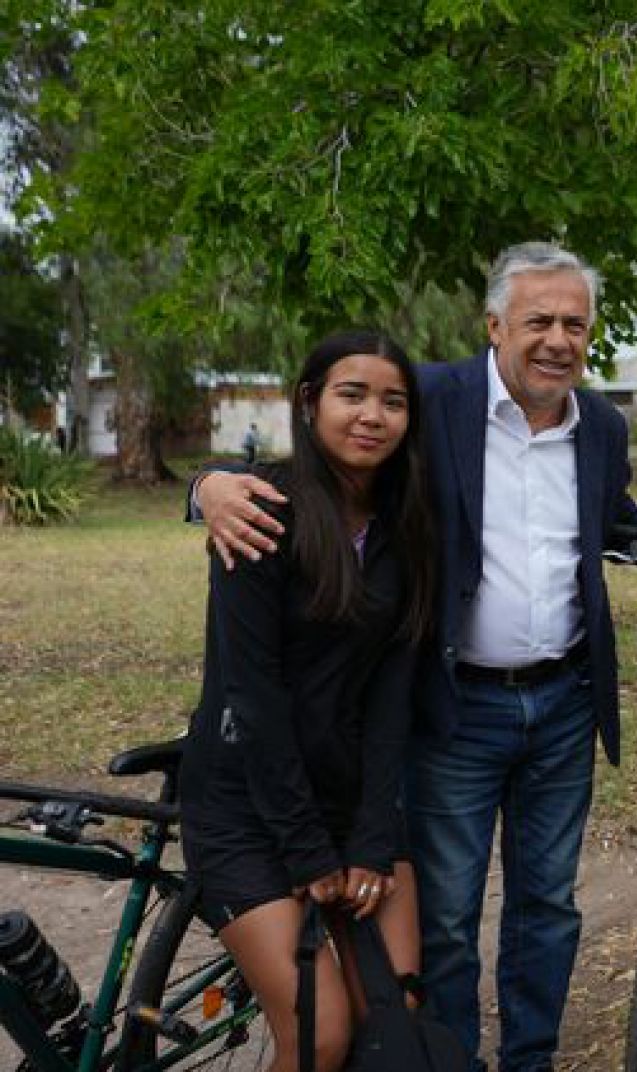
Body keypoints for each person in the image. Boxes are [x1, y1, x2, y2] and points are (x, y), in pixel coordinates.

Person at [193, 242, 637, 1072]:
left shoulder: (603, 427)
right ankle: (449, 1060)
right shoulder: (430, 400)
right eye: (538, 319)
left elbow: (619, 524)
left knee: (548, 906)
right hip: (452, 704)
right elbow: (322, 451)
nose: (557, 339)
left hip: (563, 702)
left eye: (574, 323)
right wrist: (208, 487)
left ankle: (530, 1060)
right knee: (443, 915)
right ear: (495, 324)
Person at [180, 330, 437, 1072]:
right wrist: (306, 849)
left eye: (393, 402)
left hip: (354, 798)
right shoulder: (260, 510)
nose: (372, 416)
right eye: (351, 394)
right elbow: (251, 697)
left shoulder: (407, 529)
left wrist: (368, 839)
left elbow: (393, 700)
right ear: (309, 402)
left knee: (395, 1012)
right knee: (321, 1034)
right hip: (247, 806)